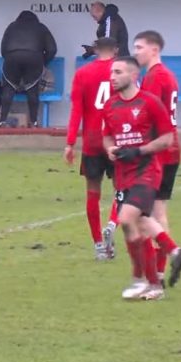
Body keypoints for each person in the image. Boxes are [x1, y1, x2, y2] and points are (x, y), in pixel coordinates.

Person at [102, 57, 175, 301]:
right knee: (136, 225)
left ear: (133, 76)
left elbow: (167, 139)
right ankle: (154, 282)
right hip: (123, 175)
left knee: (127, 218)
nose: (112, 76)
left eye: (118, 72)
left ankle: (140, 278)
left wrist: (139, 150)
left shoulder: (150, 102)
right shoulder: (110, 105)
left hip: (147, 171)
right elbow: (108, 137)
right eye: (111, 72)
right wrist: (111, 149)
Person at [132, 30, 181, 287]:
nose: (136, 53)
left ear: (154, 49)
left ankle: (166, 261)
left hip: (157, 152)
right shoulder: (168, 75)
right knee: (159, 211)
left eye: (139, 47)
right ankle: (160, 269)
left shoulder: (155, 78)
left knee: (140, 213)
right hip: (172, 149)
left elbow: (148, 117)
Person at [64, 37, 119, 261]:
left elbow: (77, 110)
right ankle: (113, 223)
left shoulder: (83, 73)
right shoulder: (121, 71)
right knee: (122, 190)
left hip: (92, 141)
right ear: (116, 50)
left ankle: (98, 244)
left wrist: (69, 143)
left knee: (92, 193)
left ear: (95, 50)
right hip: (117, 140)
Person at [0, 10, 58, 127]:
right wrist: (43, 62)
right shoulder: (41, 27)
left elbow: (3, 49)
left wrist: (11, 58)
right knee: (32, 90)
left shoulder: (11, 26)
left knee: (8, 89)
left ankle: (2, 121)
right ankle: (34, 122)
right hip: (34, 57)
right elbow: (52, 49)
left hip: (12, 56)